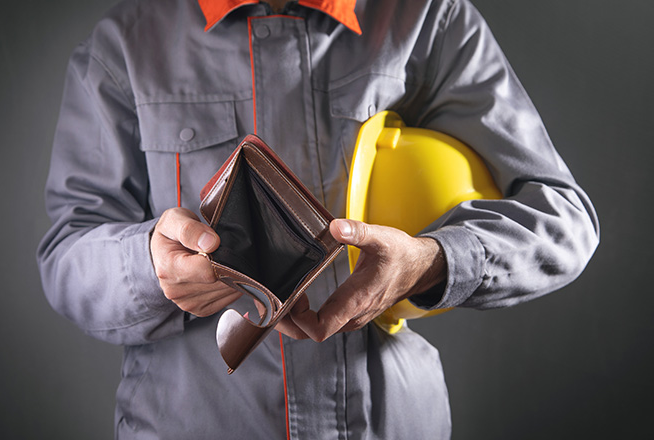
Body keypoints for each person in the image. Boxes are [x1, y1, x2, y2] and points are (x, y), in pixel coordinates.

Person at [37, 0, 599, 438]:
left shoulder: (429, 19)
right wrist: (148, 266)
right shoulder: (125, 44)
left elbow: (563, 217)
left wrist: (430, 262)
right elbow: (66, 254)